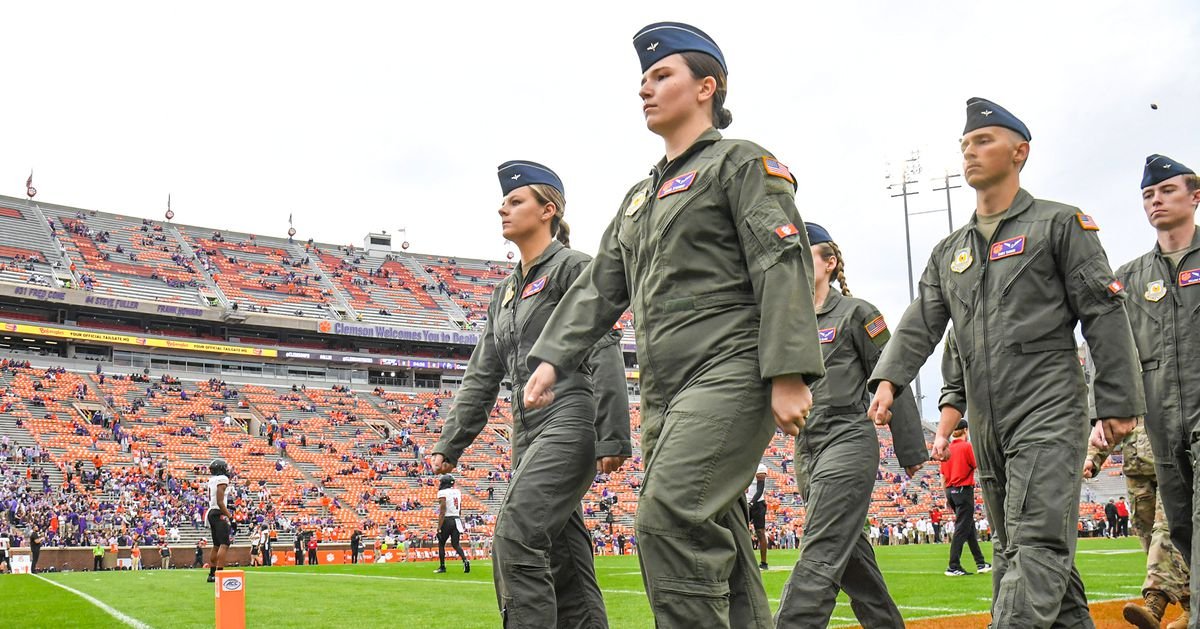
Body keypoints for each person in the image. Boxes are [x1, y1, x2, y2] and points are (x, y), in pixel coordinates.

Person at [522, 22, 823, 628]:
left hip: (732, 369)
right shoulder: (639, 197)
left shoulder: (740, 164)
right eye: (642, 81)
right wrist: (552, 358)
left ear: (707, 87)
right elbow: (599, 287)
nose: (645, 90)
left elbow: (780, 259)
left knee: (670, 515)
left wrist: (789, 371)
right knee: (722, 535)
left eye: (662, 76)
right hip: (665, 392)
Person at [870, 98, 1145, 628]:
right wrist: (889, 377)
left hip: (1048, 409)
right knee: (1021, 552)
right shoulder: (950, 250)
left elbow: (1104, 312)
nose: (970, 152)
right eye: (965, 145)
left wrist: (1116, 401)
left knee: (1034, 542)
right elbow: (922, 319)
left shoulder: (1059, 224)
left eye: (984, 141)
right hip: (988, 421)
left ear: (1020, 152)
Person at [431, 159, 631, 628]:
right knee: (565, 559)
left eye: (515, 200)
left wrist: (613, 434)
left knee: (516, 537)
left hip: (571, 415)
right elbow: (482, 373)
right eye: (503, 201)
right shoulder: (503, 293)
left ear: (548, 210)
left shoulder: (572, 268)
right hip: (527, 429)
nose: (503, 208)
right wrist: (450, 443)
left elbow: (602, 342)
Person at [776, 223, 929, 628]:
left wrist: (909, 446)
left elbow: (892, 373)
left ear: (830, 263)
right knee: (854, 564)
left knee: (822, 547)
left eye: (803, 255)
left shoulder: (856, 313)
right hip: (806, 448)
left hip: (847, 437)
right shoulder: (787, 321)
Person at [1110, 154, 1200, 629]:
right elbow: (1111, 351)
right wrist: (1104, 414)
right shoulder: (1130, 277)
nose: (1156, 200)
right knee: (1175, 523)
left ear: (1195, 197)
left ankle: (1171, 607)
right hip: (1156, 425)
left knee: (1191, 522)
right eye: (1148, 194)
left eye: (1167, 190)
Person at [1085, 423, 1190, 628]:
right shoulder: (1130, 391)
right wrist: (1093, 458)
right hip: (1136, 469)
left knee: (1167, 531)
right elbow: (1115, 420)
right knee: (1147, 536)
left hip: (1170, 462)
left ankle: (1154, 604)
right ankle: (1191, 607)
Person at [934, 396, 990, 577]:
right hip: (963, 490)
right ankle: (953, 565)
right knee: (962, 528)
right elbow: (978, 465)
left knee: (968, 527)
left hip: (950, 490)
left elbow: (942, 476)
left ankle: (980, 562)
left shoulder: (948, 448)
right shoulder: (966, 447)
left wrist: (946, 497)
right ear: (965, 430)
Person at [433, 474, 470, 574]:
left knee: (441, 543)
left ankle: (442, 566)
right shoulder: (457, 492)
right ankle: (465, 560)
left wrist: (439, 526)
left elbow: (442, 510)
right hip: (457, 519)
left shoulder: (442, 492)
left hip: (447, 519)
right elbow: (460, 508)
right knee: (456, 543)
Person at [206, 458, 235, 583]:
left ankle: (212, 574)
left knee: (216, 545)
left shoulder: (211, 480)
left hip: (211, 512)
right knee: (224, 544)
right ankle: (219, 573)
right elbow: (220, 501)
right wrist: (230, 516)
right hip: (219, 511)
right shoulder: (222, 480)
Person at [746, 464, 769, 570]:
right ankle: (745, 561)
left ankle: (764, 563)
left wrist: (751, 503)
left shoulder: (760, 467)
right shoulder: (742, 466)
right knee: (741, 531)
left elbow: (759, 490)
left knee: (760, 532)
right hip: (745, 502)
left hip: (757, 504)